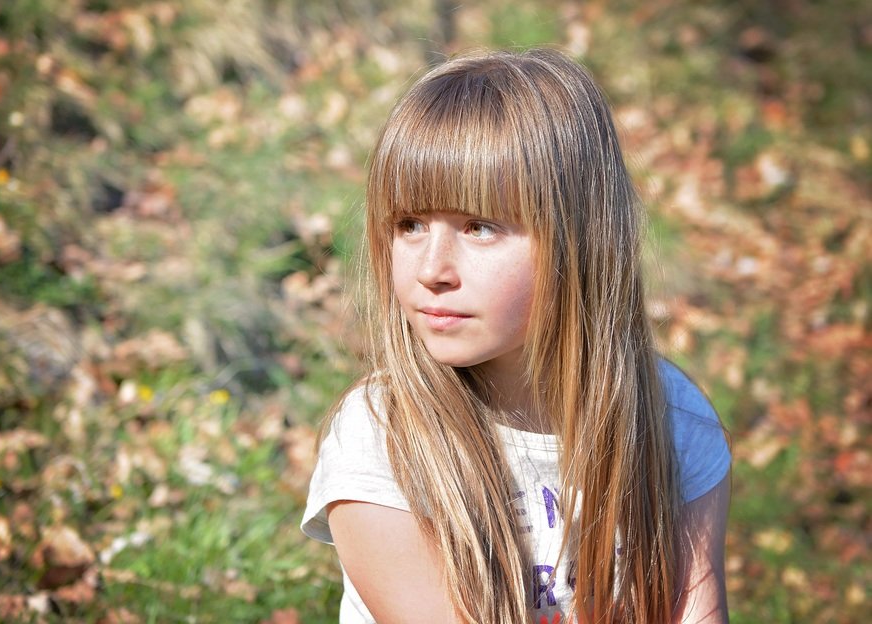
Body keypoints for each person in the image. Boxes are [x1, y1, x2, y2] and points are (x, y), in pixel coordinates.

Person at [300, 48, 731, 624]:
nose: (432, 269)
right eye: (410, 225)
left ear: (580, 239)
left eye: (478, 227)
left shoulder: (671, 417)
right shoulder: (382, 439)